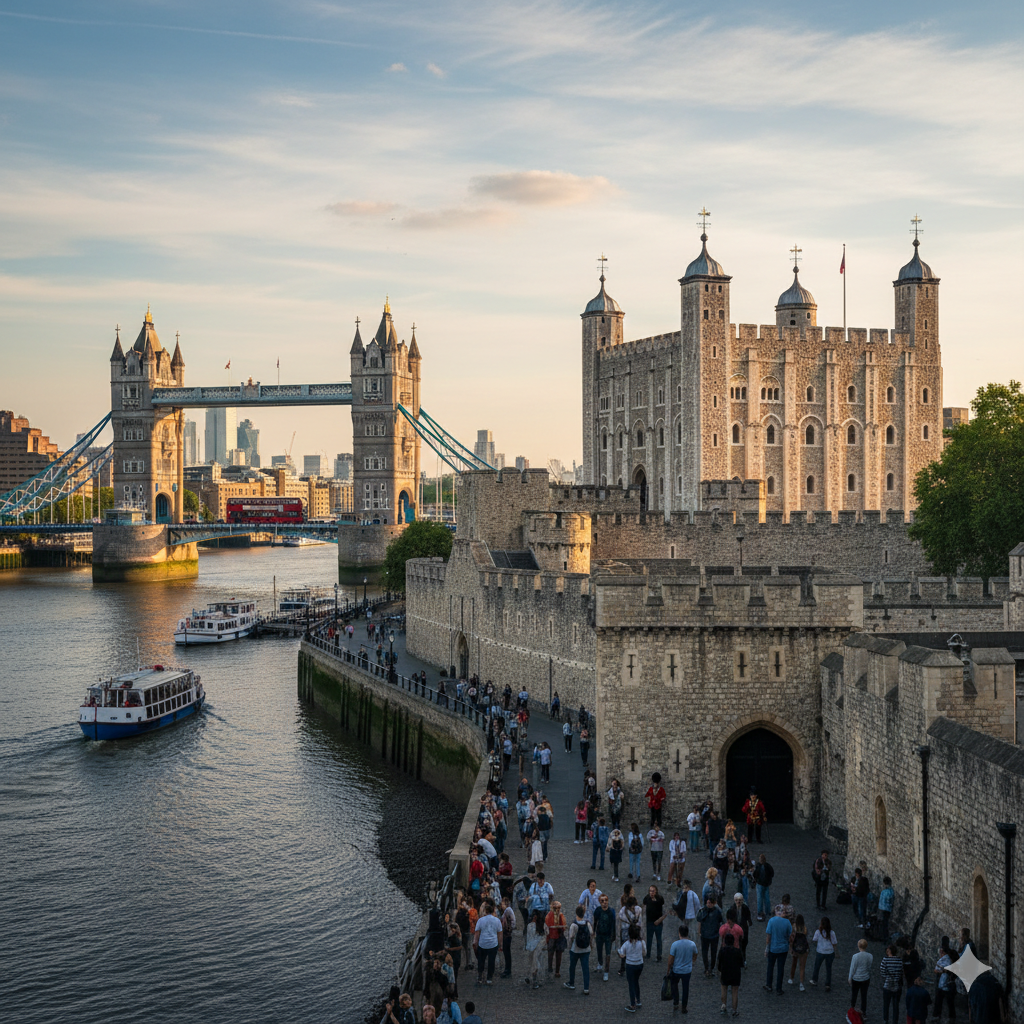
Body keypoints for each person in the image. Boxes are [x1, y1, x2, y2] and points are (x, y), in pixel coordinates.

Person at [667, 923, 698, 1013]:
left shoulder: (675, 944)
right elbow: (695, 953)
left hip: (676, 969)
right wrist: (693, 962)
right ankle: (684, 1006)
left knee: (674, 985)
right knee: (685, 988)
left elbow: (670, 959)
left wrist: (668, 970)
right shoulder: (692, 944)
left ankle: (676, 1002)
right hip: (687, 970)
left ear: (679, 933)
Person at [619, 922, 647, 1012]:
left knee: (631, 984)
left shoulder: (626, 944)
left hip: (630, 965)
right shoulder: (642, 942)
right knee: (636, 982)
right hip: (639, 965)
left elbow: (621, 953)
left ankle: (632, 1004)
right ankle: (638, 1000)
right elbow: (644, 953)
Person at [564, 904, 592, 993]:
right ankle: (586, 987)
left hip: (575, 949)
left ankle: (571, 983)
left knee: (572, 967)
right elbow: (591, 934)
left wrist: (569, 946)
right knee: (585, 968)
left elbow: (571, 937)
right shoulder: (587, 923)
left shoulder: (574, 925)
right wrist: (591, 945)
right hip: (586, 949)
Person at [763, 905, 791, 994]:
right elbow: (790, 936)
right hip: (783, 949)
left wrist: (766, 949)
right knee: (780, 969)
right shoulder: (787, 922)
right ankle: (779, 988)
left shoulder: (771, 921)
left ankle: (769, 985)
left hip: (773, 948)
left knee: (770, 967)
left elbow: (768, 937)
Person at [473, 900, 502, 985]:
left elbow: (477, 933)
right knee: (491, 961)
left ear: (485, 911)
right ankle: (489, 978)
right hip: (493, 943)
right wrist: (500, 944)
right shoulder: (497, 921)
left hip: (483, 943)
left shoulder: (480, 920)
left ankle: (480, 976)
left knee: (481, 961)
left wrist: (475, 943)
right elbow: (500, 933)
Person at [717, 931, 744, 1018]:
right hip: (735, 973)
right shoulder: (737, 951)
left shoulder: (722, 950)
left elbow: (719, 963)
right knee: (735, 992)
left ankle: (723, 1006)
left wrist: (720, 970)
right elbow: (741, 964)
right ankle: (734, 1010)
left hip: (725, 972)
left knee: (724, 989)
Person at [697, 895, 724, 978]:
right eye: (707, 902)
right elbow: (699, 921)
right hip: (705, 935)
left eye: (710, 903)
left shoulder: (717, 912)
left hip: (714, 936)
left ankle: (711, 968)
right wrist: (699, 932)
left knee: (713, 953)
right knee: (705, 953)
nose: (708, 904)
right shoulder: (703, 910)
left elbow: (721, 921)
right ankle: (706, 968)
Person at [810, 915, 838, 991]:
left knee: (817, 966)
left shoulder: (818, 932)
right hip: (830, 952)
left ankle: (814, 980)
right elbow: (834, 943)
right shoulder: (832, 932)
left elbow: (814, 940)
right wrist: (836, 952)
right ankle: (827, 984)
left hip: (820, 951)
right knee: (828, 968)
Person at [593, 892, 617, 983]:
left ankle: (606, 971)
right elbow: (595, 922)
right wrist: (593, 932)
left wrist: (613, 935)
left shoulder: (611, 912)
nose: (604, 902)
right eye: (602, 901)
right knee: (599, 950)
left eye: (606, 900)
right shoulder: (598, 911)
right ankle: (600, 963)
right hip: (599, 934)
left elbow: (613, 924)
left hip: (608, 935)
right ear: (600, 902)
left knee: (608, 954)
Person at [879, 943, 904, 1024]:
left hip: (887, 985)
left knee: (886, 1004)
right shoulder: (899, 961)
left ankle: (885, 1020)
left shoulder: (885, 960)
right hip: (896, 985)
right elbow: (901, 972)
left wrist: (888, 977)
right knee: (895, 1006)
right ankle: (895, 1021)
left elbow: (882, 972)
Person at [933, 936, 956, 1020]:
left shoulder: (947, 955)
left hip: (945, 981)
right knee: (948, 1001)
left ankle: (937, 1015)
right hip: (948, 981)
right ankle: (951, 1017)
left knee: (940, 999)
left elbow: (937, 969)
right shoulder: (951, 953)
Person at [642, 884, 666, 961]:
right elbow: (643, 905)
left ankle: (659, 955)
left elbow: (664, 911)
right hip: (649, 922)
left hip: (658, 923)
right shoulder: (647, 898)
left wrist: (660, 920)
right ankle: (648, 954)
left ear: (656, 892)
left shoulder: (660, 899)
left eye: (653, 891)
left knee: (659, 940)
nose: (651, 893)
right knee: (649, 939)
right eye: (650, 891)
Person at [848, 936, 872, 1013]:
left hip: (856, 978)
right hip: (865, 978)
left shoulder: (855, 956)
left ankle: (852, 1008)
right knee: (864, 996)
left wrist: (850, 977)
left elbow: (853, 968)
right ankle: (863, 1011)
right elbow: (869, 967)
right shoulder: (870, 956)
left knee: (854, 994)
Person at [523, 910, 546, 989]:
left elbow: (528, 937)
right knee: (537, 963)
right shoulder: (543, 926)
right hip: (539, 947)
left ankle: (532, 979)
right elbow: (546, 935)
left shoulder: (530, 926)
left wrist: (527, 947)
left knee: (532, 963)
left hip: (531, 947)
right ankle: (535, 979)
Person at [787, 913, 810, 989]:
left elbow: (792, 938)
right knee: (802, 966)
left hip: (795, 948)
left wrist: (791, 948)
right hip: (803, 949)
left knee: (794, 963)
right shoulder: (805, 929)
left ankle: (791, 978)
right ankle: (801, 984)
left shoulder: (794, 927)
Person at [544, 900, 567, 977]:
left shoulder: (549, 915)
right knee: (557, 954)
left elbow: (546, 928)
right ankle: (556, 970)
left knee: (551, 953)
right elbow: (564, 927)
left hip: (552, 937)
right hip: (556, 937)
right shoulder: (560, 915)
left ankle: (551, 968)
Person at [753, 853, 774, 921]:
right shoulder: (767, 866)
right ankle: (767, 911)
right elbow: (772, 873)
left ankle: (760, 912)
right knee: (766, 899)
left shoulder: (758, 866)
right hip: (765, 884)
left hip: (760, 884)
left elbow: (755, 874)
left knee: (760, 899)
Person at [499, 897, 516, 978]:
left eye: (502, 904)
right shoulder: (507, 911)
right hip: (506, 934)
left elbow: (513, 921)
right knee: (506, 952)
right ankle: (507, 969)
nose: (501, 906)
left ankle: (507, 970)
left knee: (507, 953)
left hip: (506, 934)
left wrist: (509, 929)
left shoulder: (508, 910)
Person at [878, 875, 895, 939]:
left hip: (884, 909)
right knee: (885, 923)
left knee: (884, 923)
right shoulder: (891, 891)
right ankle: (884, 936)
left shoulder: (885, 891)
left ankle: (884, 936)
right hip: (887, 909)